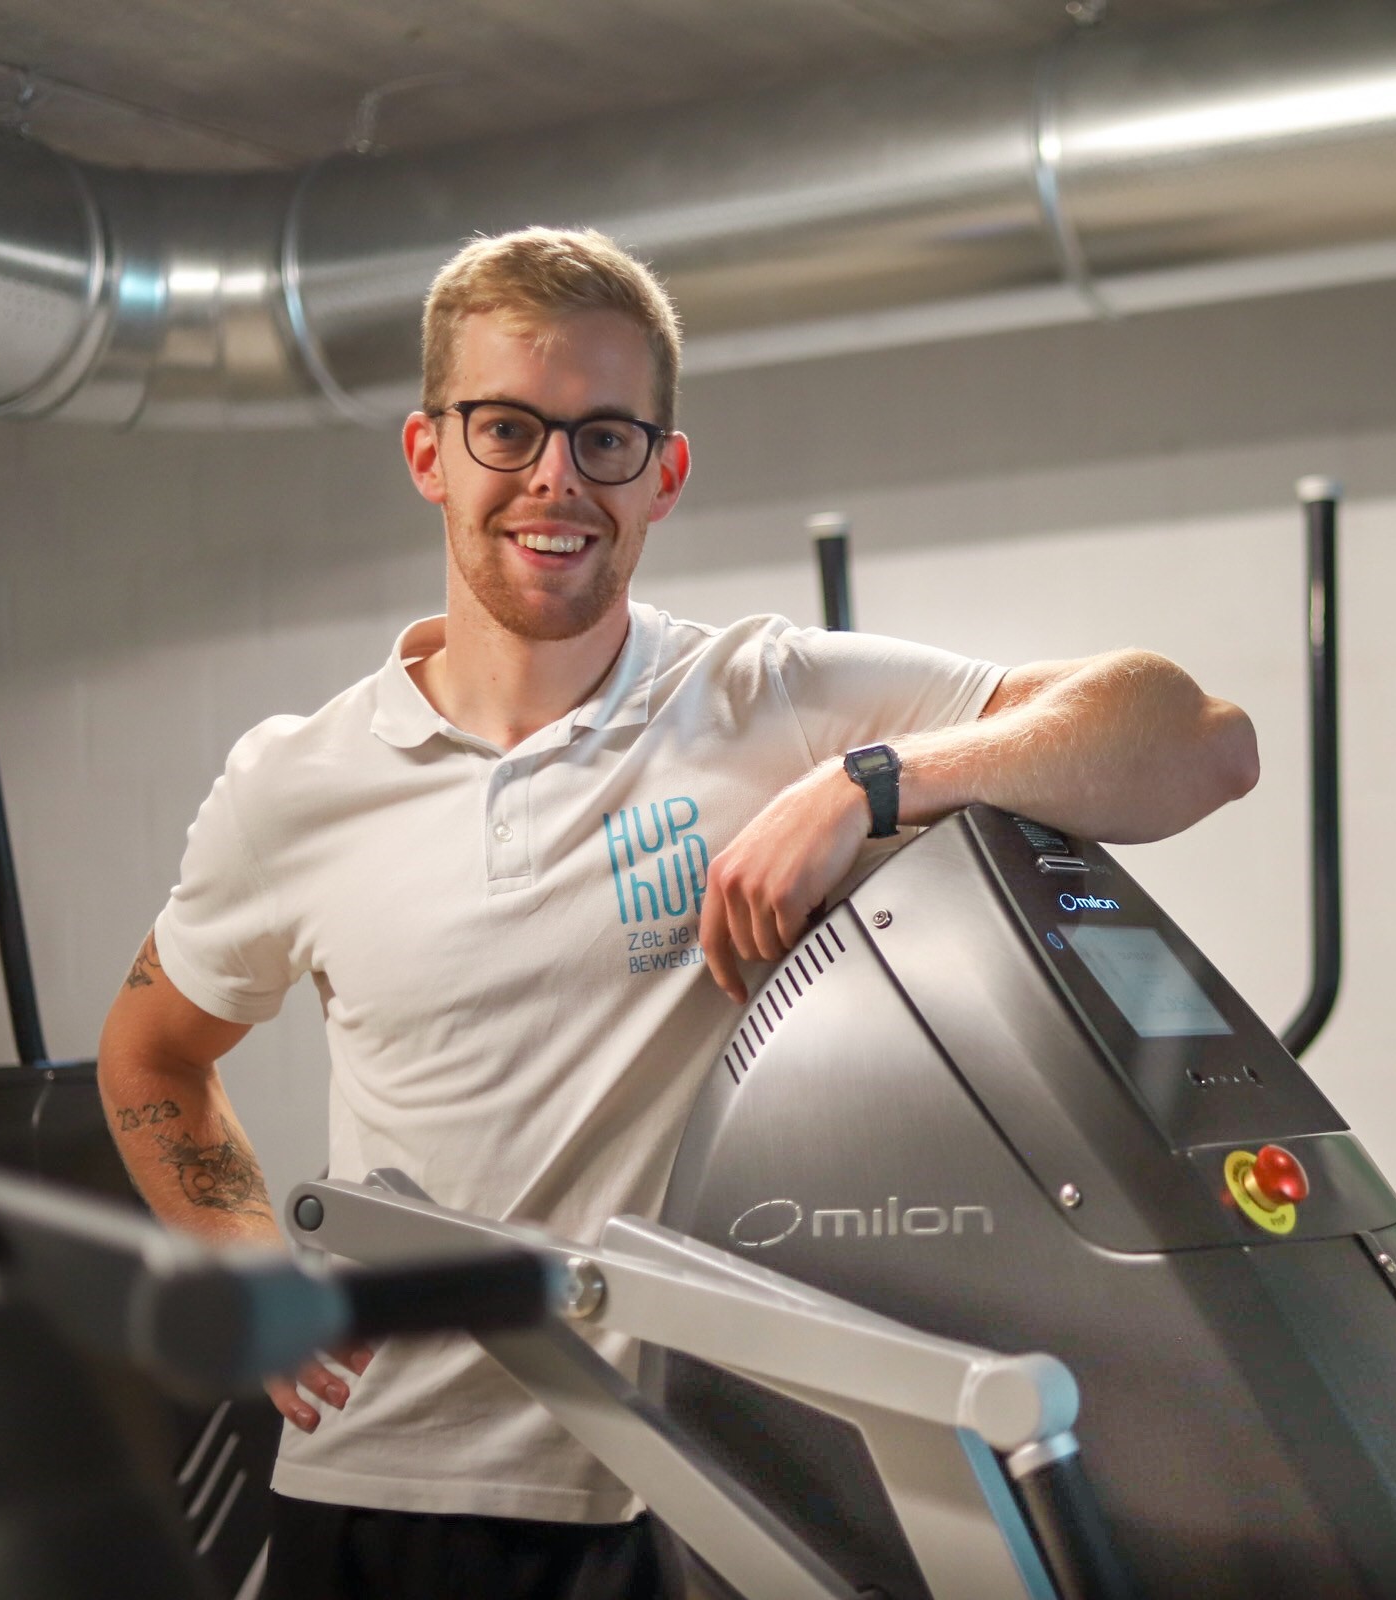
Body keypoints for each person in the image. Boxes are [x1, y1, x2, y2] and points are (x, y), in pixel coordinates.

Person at [94, 225, 1259, 1600]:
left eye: (606, 439)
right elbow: (151, 1055)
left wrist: (867, 783)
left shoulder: (768, 699)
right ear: (429, 453)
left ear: (665, 475)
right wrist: (242, 1262)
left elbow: (1195, 739)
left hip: (695, 1494)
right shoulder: (294, 784)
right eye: (507, 429)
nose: (556, 479)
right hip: (381, 1493)